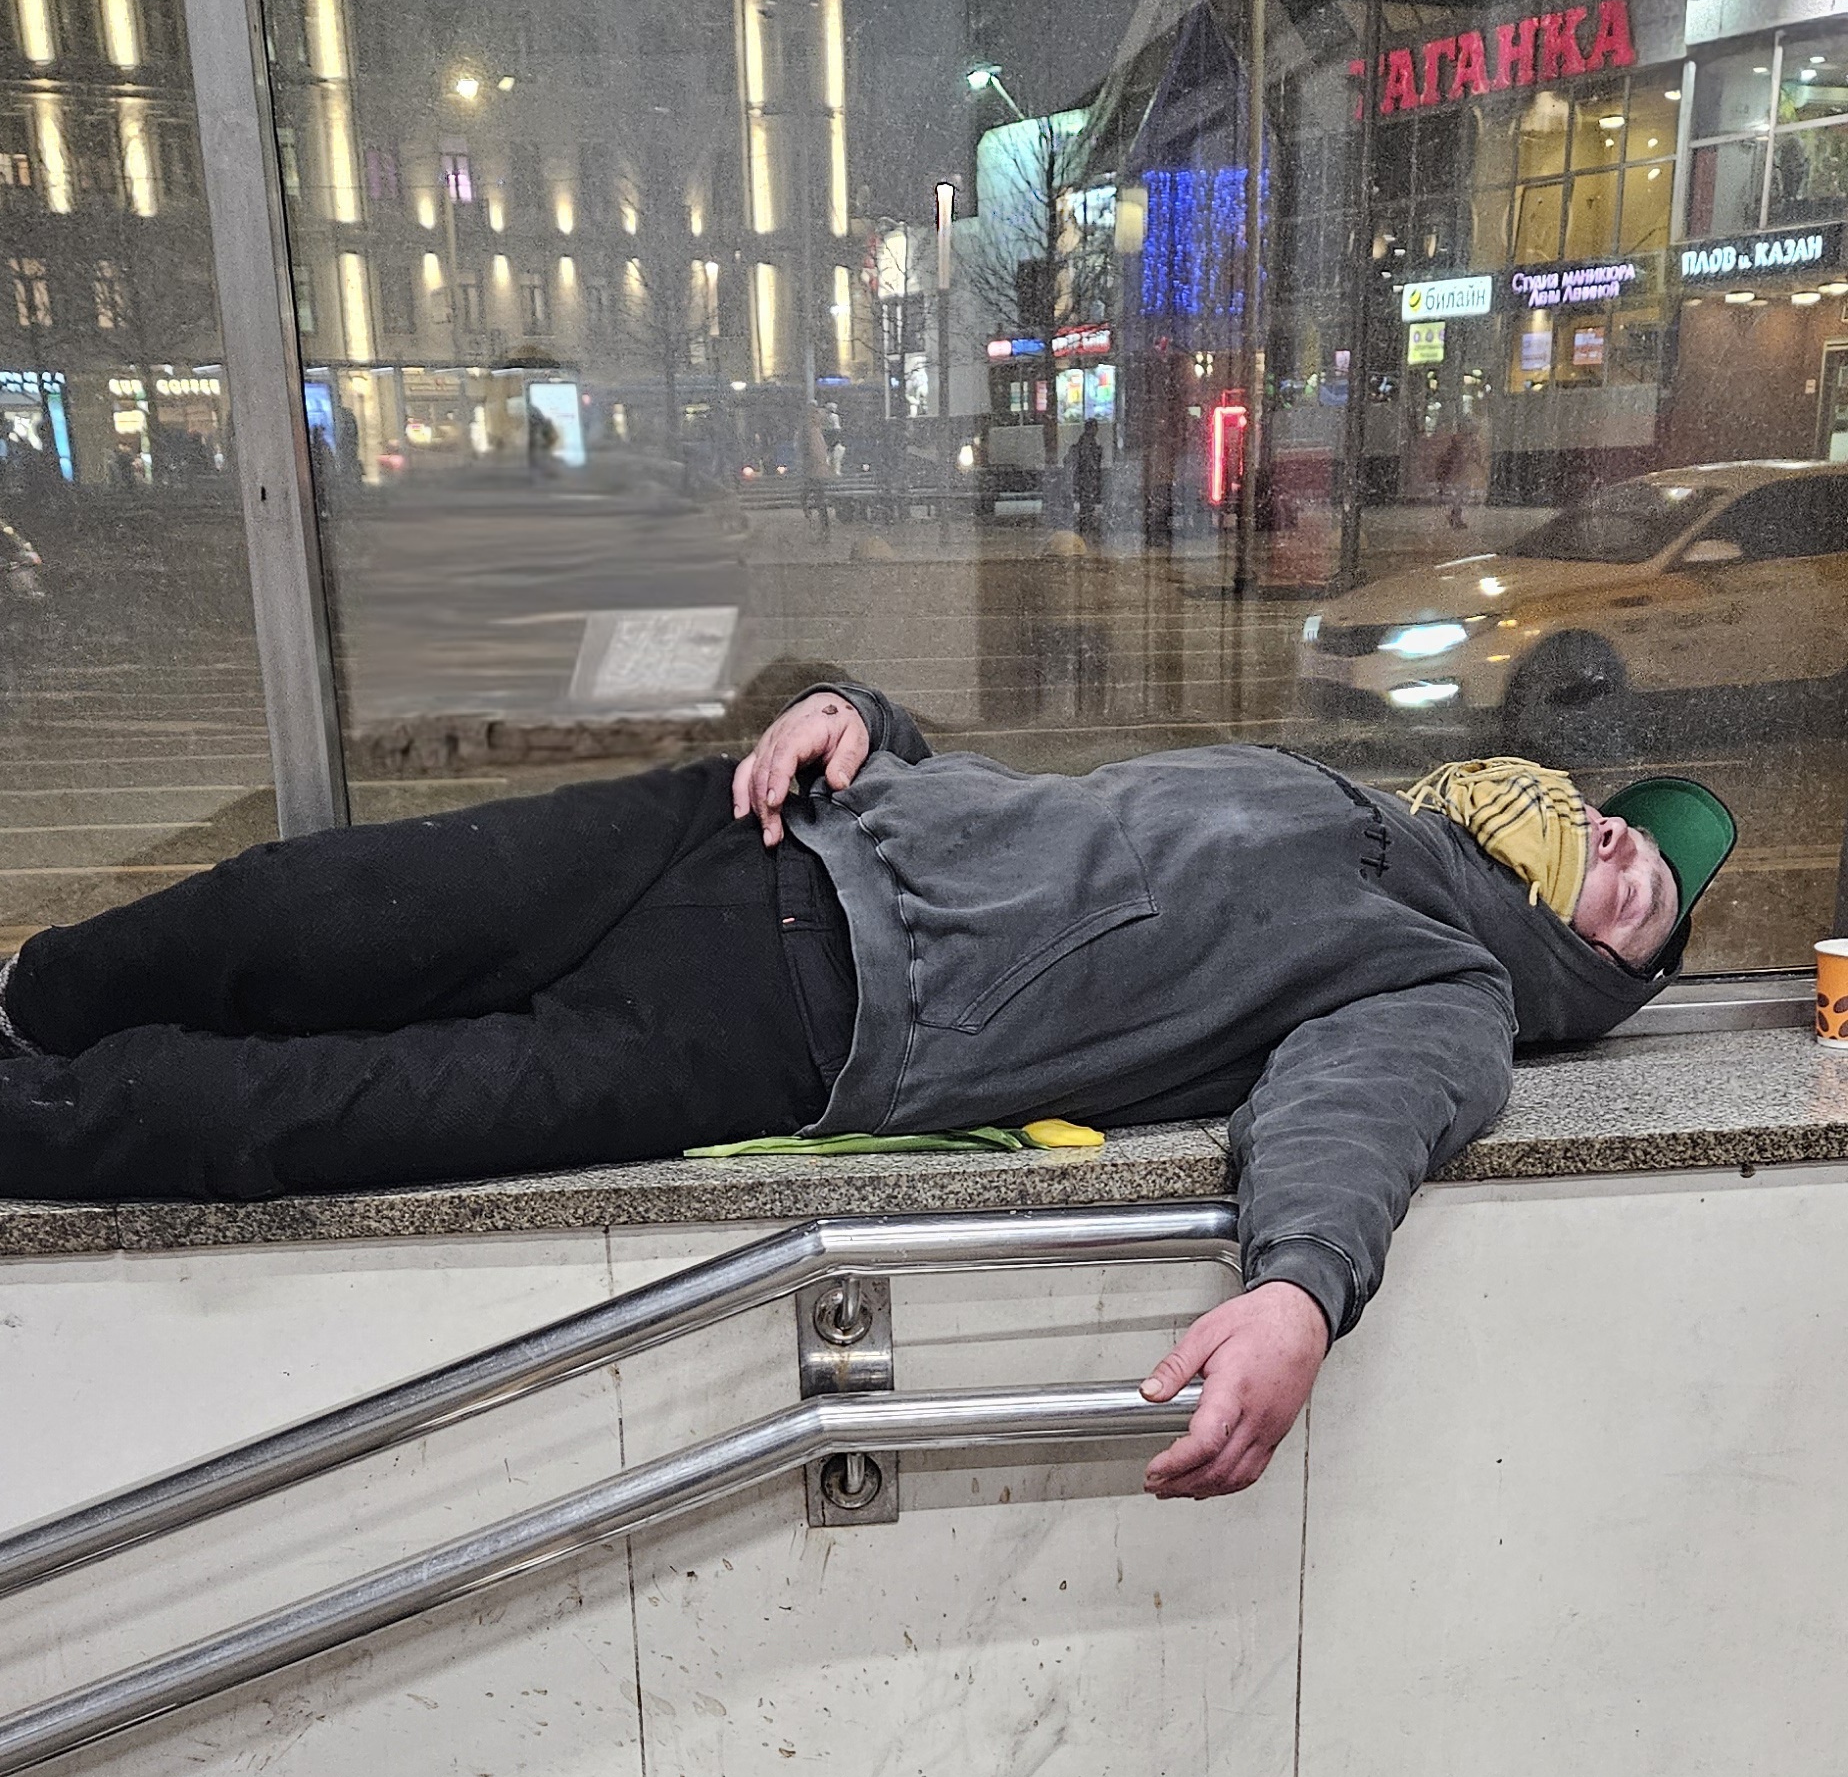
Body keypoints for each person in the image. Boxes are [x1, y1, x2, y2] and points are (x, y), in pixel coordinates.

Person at [0, 686, 1734, 1501]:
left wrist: (1299, 1292)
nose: (1615, 843)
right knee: (304, 912)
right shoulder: (1349, 801)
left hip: (793, 1024)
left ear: (1596, 978)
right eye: (1621, 824)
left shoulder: (1447, 988)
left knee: (332, 1115)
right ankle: (31, 997)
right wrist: (863, 721)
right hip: (747, 830)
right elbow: (1050, 817)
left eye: (1640, 888)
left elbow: (1357, 1120)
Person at [800, 401, 833, 534]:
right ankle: (823, 528)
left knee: (813, 498)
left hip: (814, 470)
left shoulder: (811, 431)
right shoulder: (816, 431)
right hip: (817, 470)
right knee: (818, 499)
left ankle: (821, 528)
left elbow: (813, 452)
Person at [1071, 417, 1105, 540]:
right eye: (1095, 427)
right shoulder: (1087, 441)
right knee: (1087, 502)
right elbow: (1088, 461)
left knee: (1087, 503)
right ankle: (1085, 526)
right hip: (1086, 478)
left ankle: (1086, 525)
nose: (1097, 430)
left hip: (1087, 478)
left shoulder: (1089, 441)